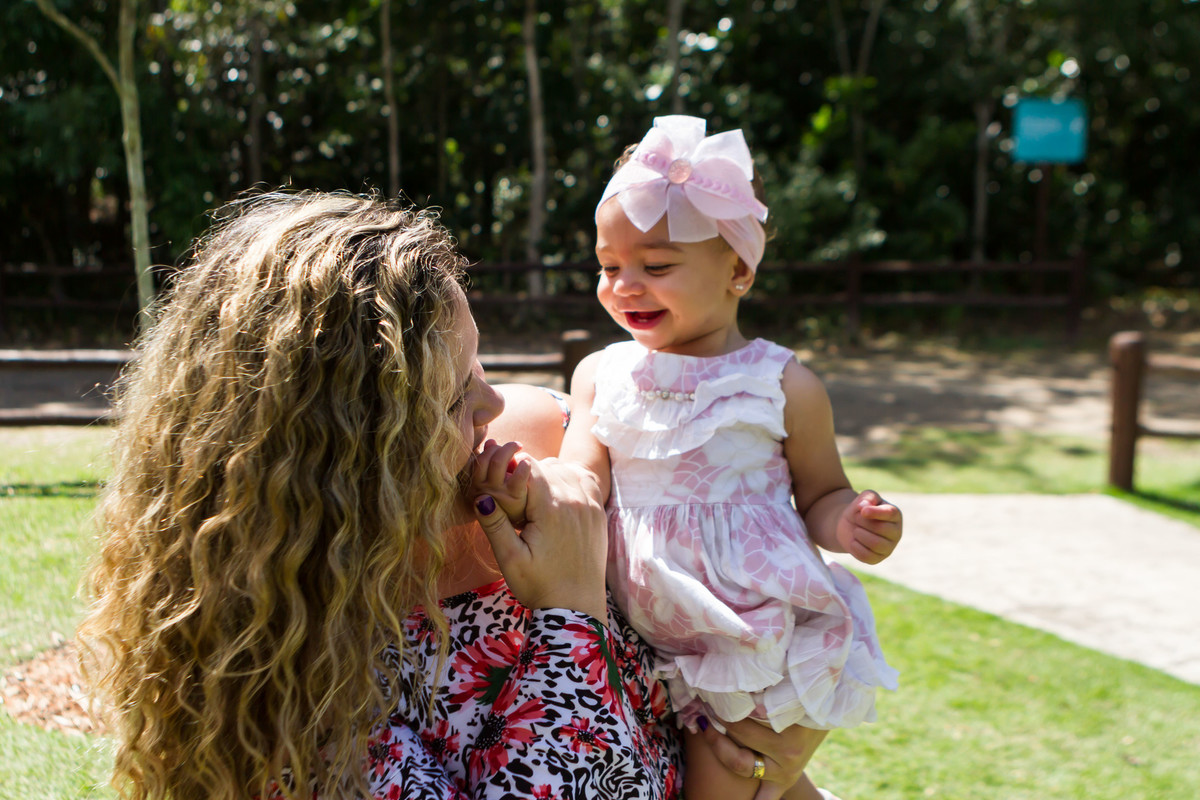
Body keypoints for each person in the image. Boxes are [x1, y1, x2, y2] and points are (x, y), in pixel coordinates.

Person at [77, 189, 818, 800]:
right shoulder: (284, 699)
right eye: (455, 396)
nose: (497, 405)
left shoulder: (557, 451)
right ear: (357, 458)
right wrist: (569, 614)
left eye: (481, 360)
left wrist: (773, 754)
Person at [476, 116, 901, 800]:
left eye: (656, 265)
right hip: (648, 630)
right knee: (771, 787)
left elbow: (821, 495)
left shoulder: (782, 384)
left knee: (727, 778)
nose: (625, 285)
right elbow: (584, 477)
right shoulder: (601, 375)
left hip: (747, 630)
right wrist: (531, 485)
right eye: (609, 267)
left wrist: (850, 521)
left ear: (738, 268)